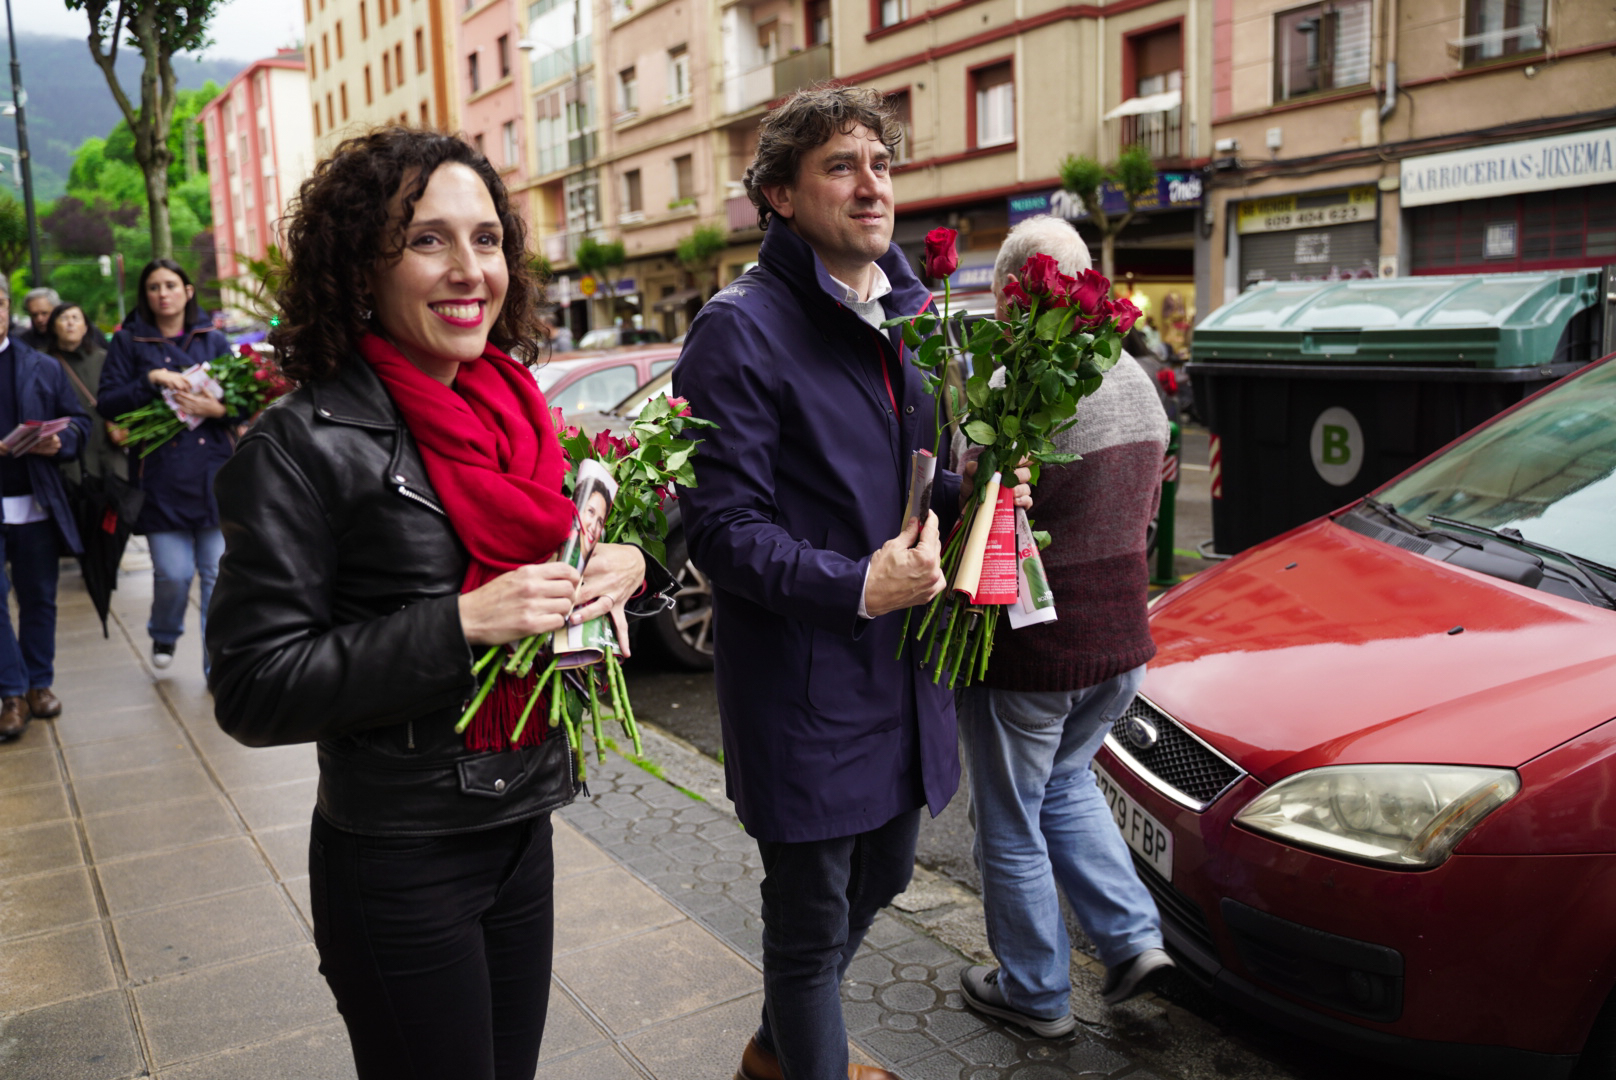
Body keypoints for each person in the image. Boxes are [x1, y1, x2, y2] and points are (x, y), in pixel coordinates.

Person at [206, 127, 674, 1080]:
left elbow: (558, 558)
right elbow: (252, 689)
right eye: (427, 240)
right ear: (358, 267)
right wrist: (463, 623)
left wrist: (621, 563)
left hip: (519, 826)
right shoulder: (300, 445)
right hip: (399, 857)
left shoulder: (516, 409)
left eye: (488, 238)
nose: (470, 270)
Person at [674, 87, 1028, 1080]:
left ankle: (773, 1052)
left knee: (887, 868)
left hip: (903, 669)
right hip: (804, 681)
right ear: (779, 196)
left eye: (879, 162)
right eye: (840, 165)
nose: (870, 182)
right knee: (807, 918)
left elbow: (913, 473)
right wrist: (855, 585)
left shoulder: (907, 314)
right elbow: (723, 530)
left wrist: (978, 493)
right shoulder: (737, 331)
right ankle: (803, 1055)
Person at [955, 215, 1175, 1038]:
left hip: (1035, 652)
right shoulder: (1140, 383)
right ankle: (1130, 938)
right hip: (1122, 644)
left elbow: (981, 524)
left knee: (1010, 822)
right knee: (1068, 785)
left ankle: (1036, 995)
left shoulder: (1029, 392)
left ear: (1016, 295)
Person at [97, 260, 236, 673]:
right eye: (154, 287)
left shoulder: (213, 338)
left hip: (213, 473)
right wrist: (152, 379)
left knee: (217, 576)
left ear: (188, 290)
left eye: (171, 285)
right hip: (160, 477)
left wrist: (218, 409)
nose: (163, 294)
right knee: (173, 575)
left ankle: (217, 666)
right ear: (145, 294)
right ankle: (164, 631)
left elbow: (247, 399)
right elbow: (107, 403)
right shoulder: (128, 342)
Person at [0, 280, 92, 740]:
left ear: (5, 308)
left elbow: (80, 422)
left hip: (35, 501)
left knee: (39, 598)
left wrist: (63, 441)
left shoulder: (40, 365)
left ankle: (39, 683)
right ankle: (11, 693)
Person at [45, 302, 125, 483]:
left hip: (107, 446)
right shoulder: (43, 363)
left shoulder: (103, 358)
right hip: (70, 453)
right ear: (53, 327)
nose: (70, 323)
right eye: (64, 318)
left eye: (75, 318)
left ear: (86, 327)